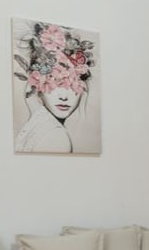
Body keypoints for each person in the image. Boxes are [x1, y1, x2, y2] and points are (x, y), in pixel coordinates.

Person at [13, 21, 95, 153]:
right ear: (38, 84)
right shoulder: (57, 136)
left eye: (72, 86)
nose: (64, 97)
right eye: (55, 84)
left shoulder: (39, 125)